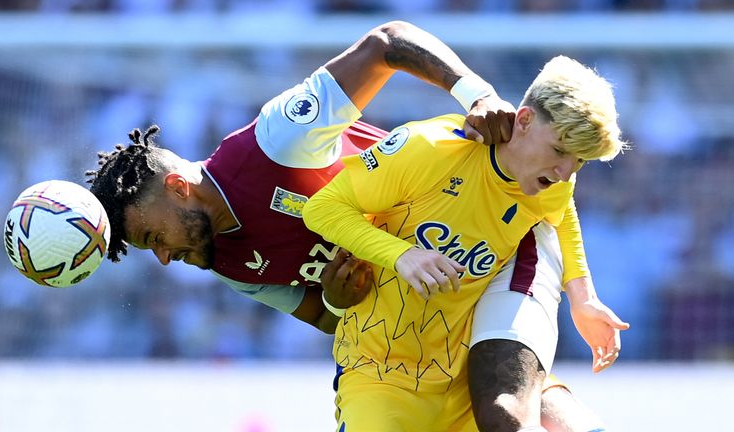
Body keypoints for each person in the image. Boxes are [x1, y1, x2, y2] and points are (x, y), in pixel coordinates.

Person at [86, 21, 609, 430]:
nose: (163, 258)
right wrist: (341, 299)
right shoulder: (227, 265)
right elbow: (328, 317)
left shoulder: (274, 141)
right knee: (492, 398)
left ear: (178, 188)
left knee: (502, 409)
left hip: (498, 233)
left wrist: (474, 94)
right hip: (425, 297)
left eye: (154, 237)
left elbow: (388, 41)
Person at [303, 55, 629, 431]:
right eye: (559, 151)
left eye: (580, 161)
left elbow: (562, 215)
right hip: (380, 373)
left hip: (465, 379)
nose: (566, 172)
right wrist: (402, 255)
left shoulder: (549, 180)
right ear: (523, 120)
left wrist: (582, 297)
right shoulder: (430, 148)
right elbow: (323, 209)